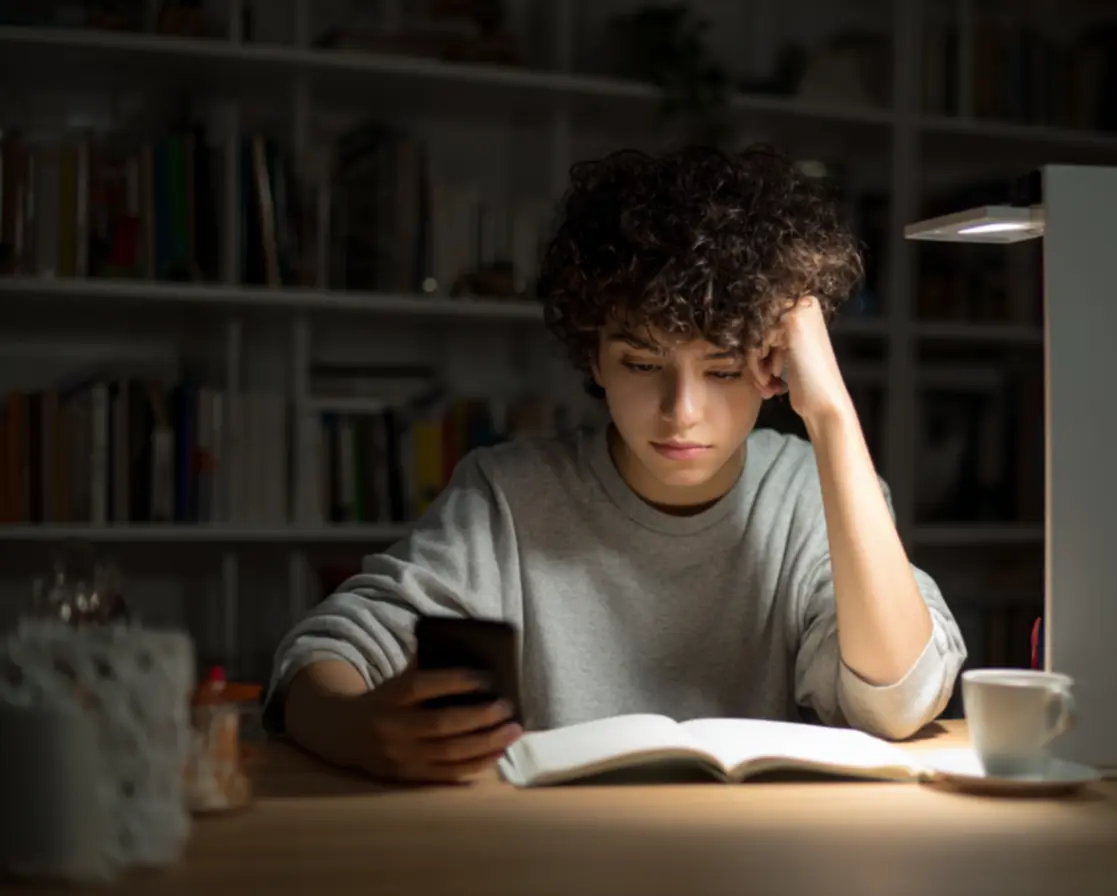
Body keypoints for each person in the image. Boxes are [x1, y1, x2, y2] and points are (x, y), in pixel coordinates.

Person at [264, 145, 967, 783]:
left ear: (773, 365)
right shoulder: (510, 497)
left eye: (722, 369)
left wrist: (833, 417)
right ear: (593, 353)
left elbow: (899, 699)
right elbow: (322, 653)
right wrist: (357, 728)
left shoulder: (819, 496)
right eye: (641, 362)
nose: (680, 410)